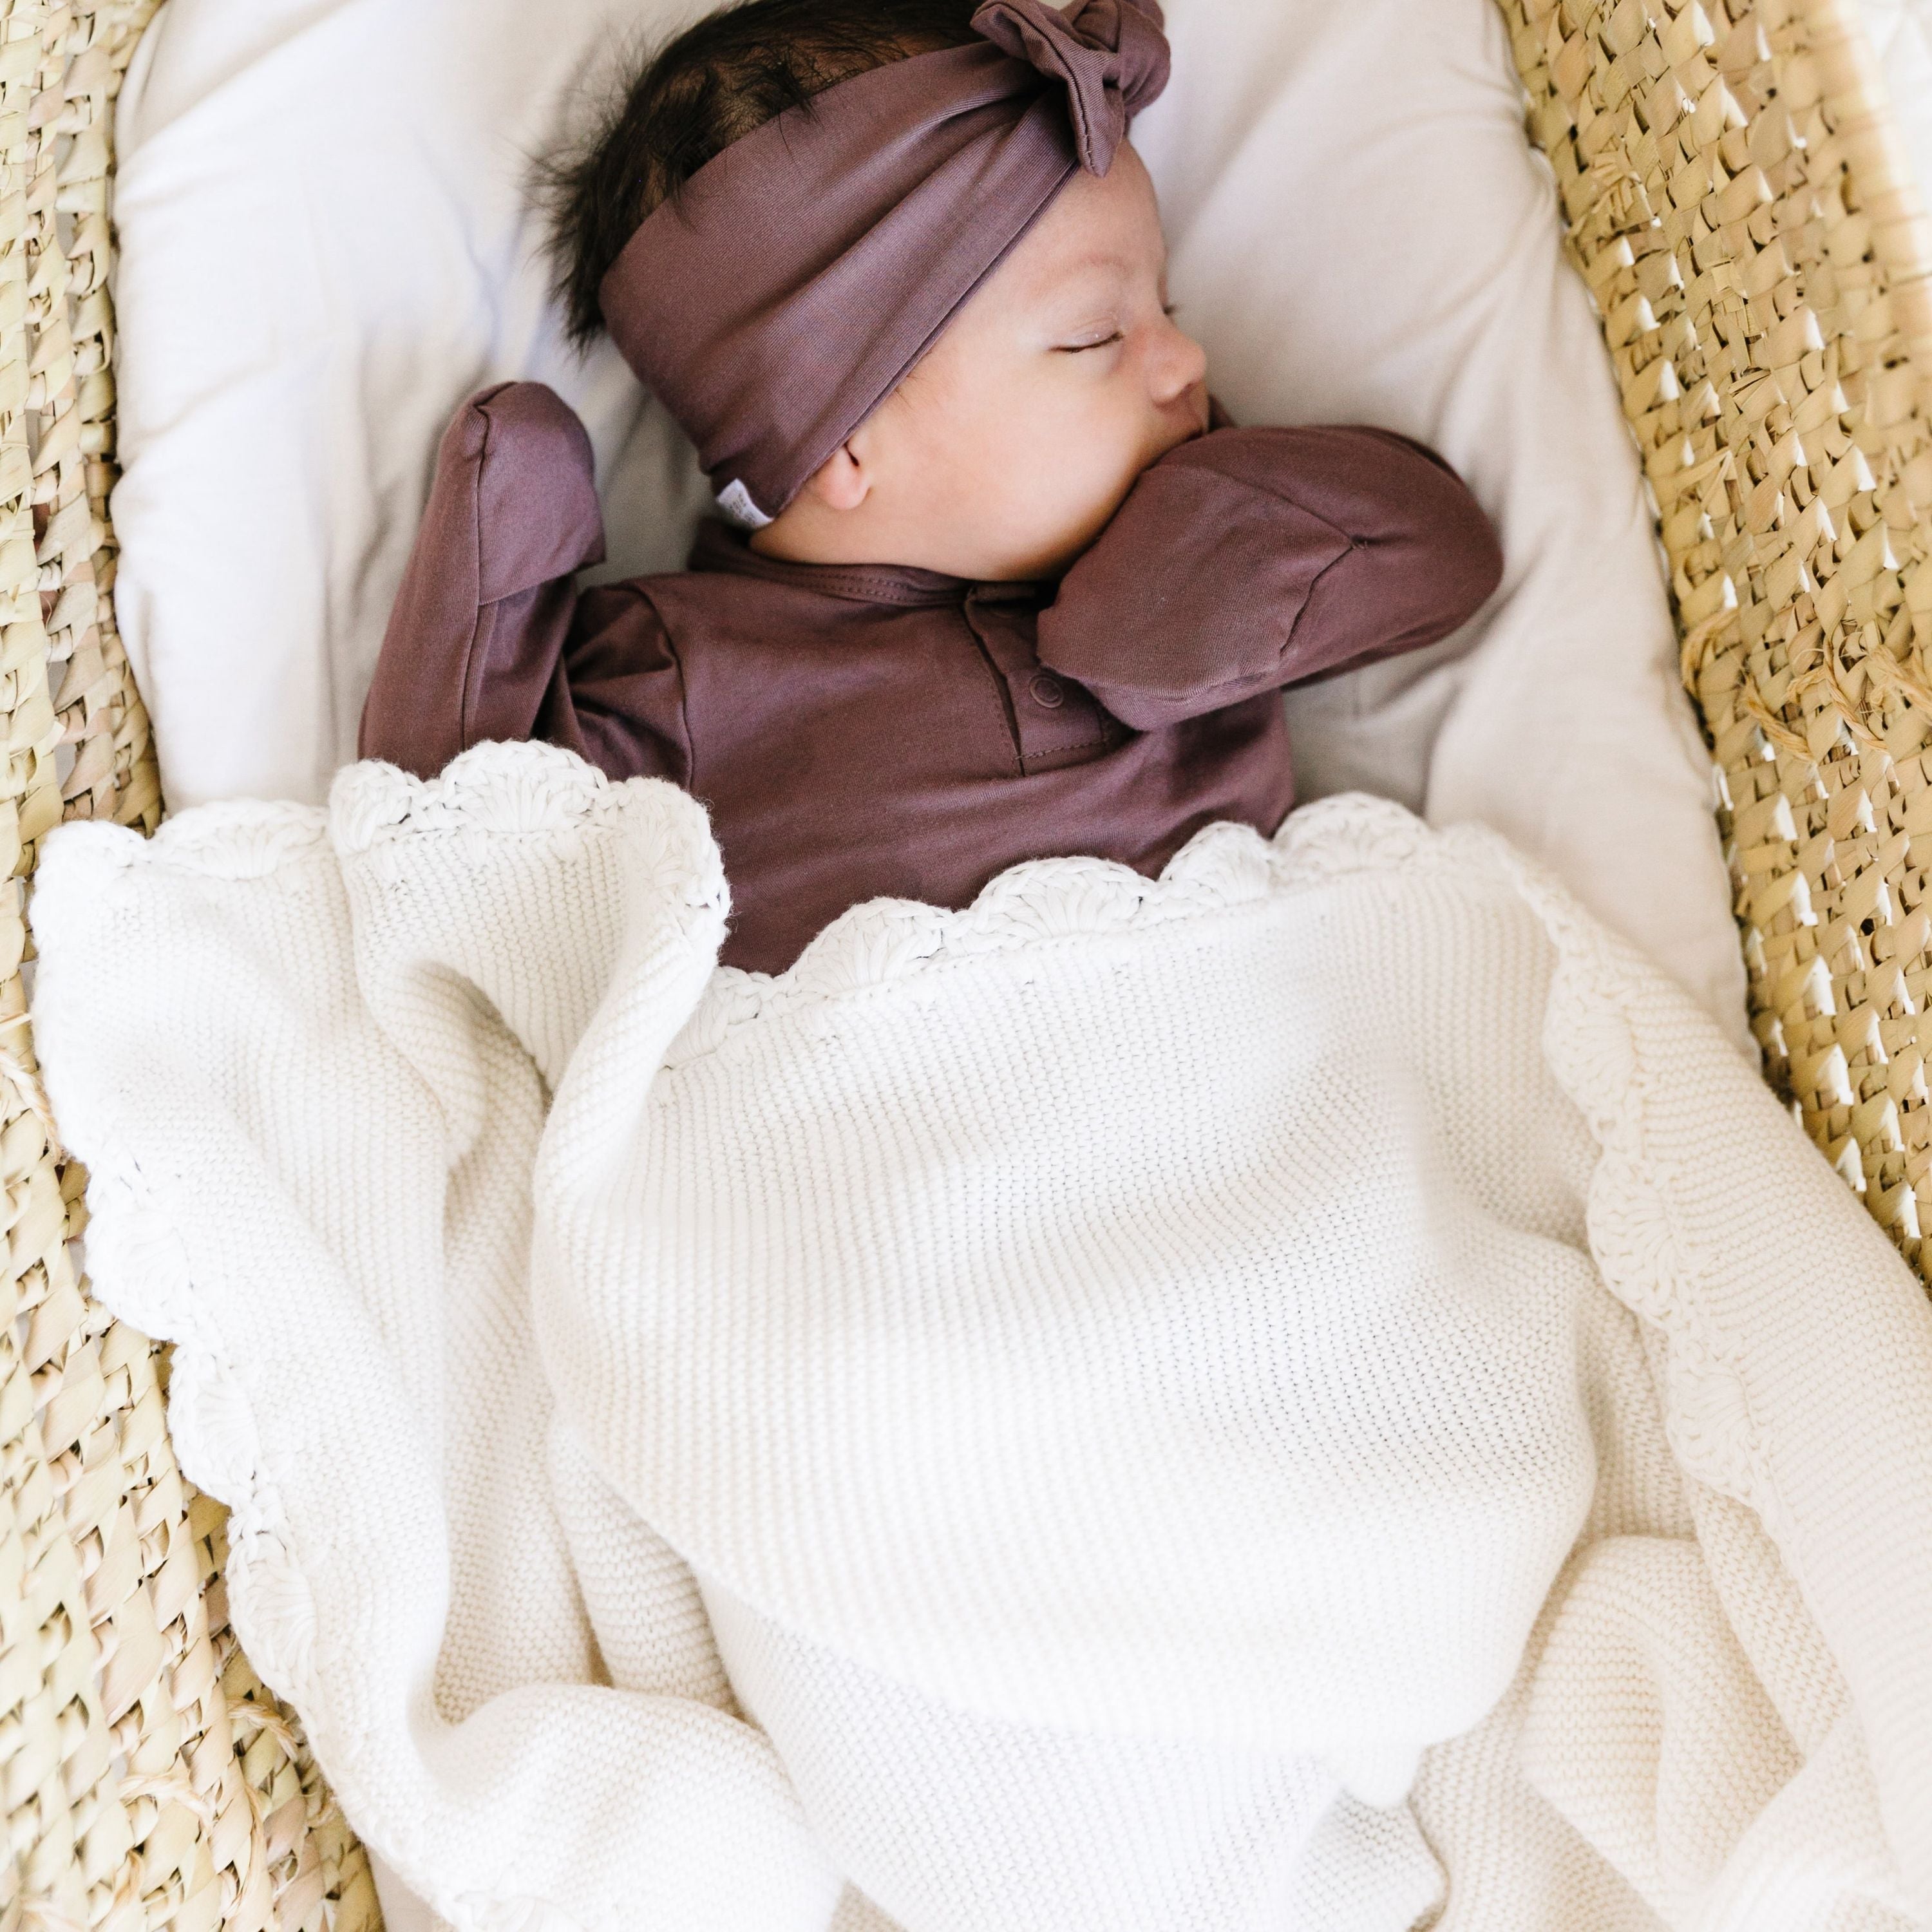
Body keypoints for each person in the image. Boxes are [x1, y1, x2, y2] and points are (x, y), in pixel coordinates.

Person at [359, 0, 1504, 974]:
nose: (1186, 362)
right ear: (842, 441)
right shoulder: (686, 675)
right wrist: (497, 566)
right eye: (1095, 335)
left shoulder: (1209, 515)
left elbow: (1446, 553)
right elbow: (461, 860)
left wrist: (1175, 590)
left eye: (1168, 309)